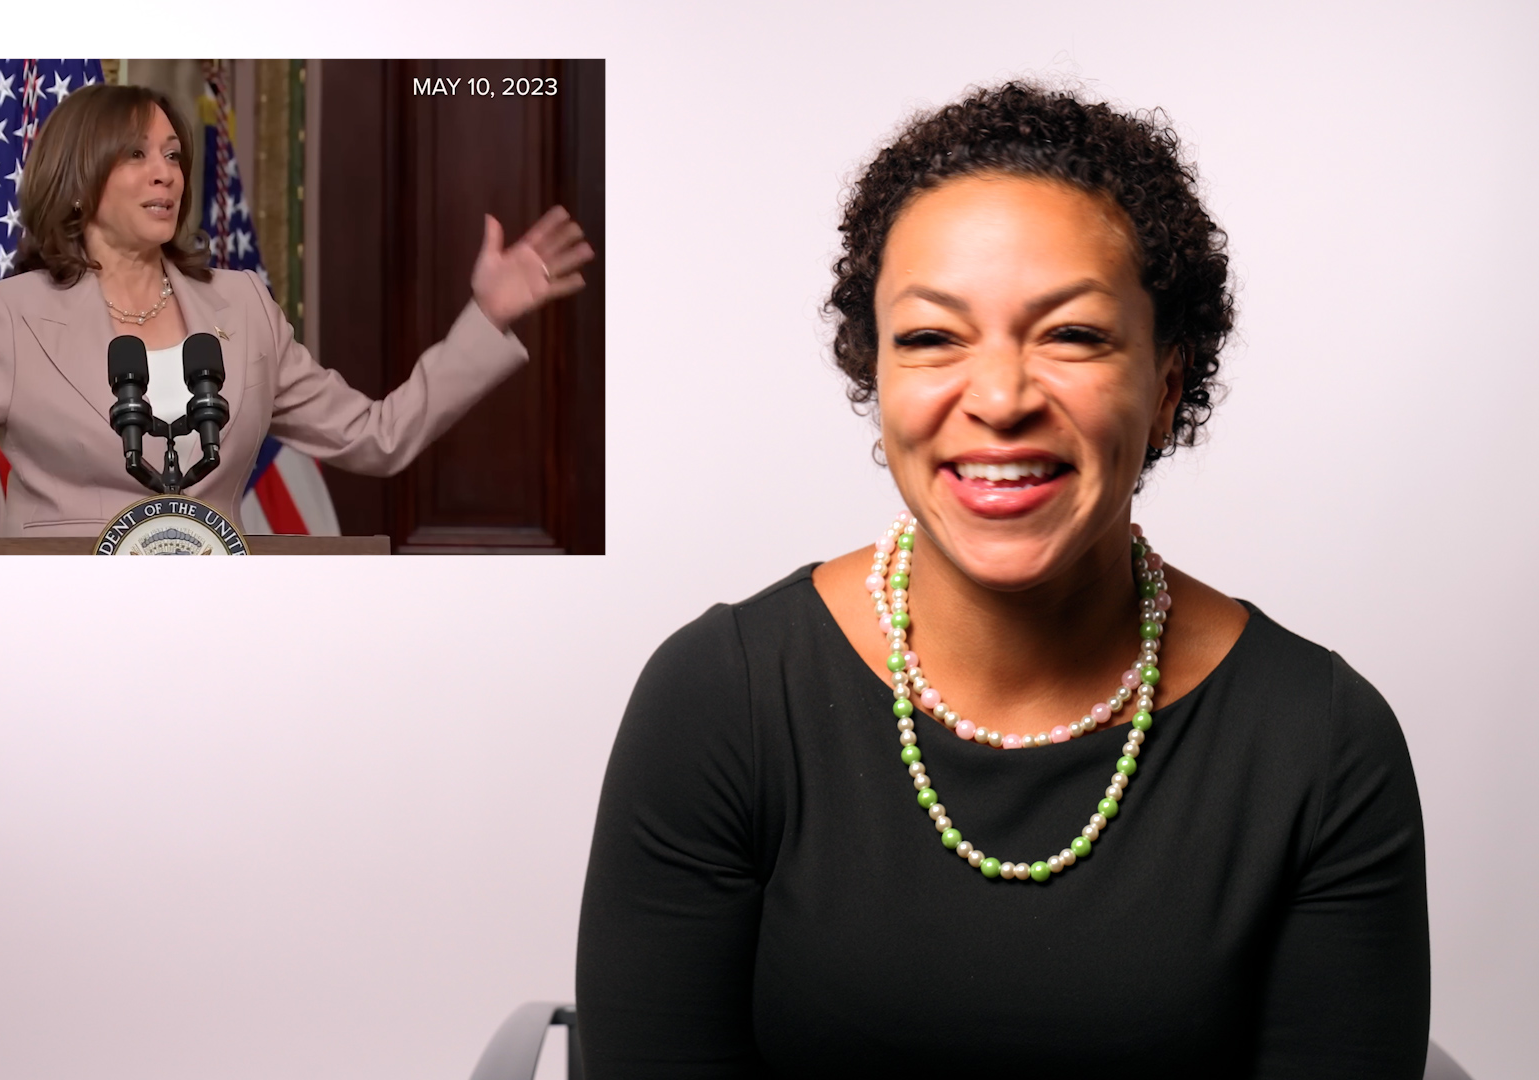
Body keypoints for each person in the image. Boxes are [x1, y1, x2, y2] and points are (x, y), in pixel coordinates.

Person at [576, 83, 1428, 1078]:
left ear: (1165, 387)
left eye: (1072, 334)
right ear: (876, 376)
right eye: (933, 337)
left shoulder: (1319, 742)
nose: (998, 398)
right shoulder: (722, 698)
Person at [0, 84, 593, 537]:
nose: (167, 175)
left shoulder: (242, 307)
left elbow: (376, 437)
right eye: (138, 155)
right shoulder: (10, 317)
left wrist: (484, 317)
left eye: (174, 156)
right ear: (82, 180)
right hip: (60, 649)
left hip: (222, 648)